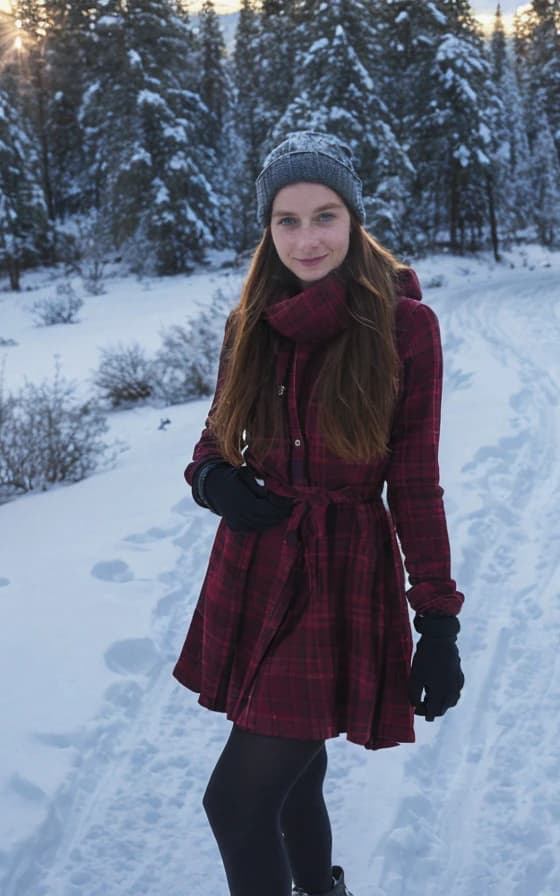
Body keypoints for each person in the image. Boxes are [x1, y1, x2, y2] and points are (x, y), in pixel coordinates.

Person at [176, 131, 466, 896]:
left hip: (339, 576)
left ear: (355, 219)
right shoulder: (251, 322)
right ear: (267, 230)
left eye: (325, 215)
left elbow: (414, 484)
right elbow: (210, 439)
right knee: (294, 782)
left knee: (236, 804)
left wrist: (437, 624)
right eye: (287, 220)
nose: (307, 238)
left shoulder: (404, 329)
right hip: (255, 567)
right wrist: (214, 484)